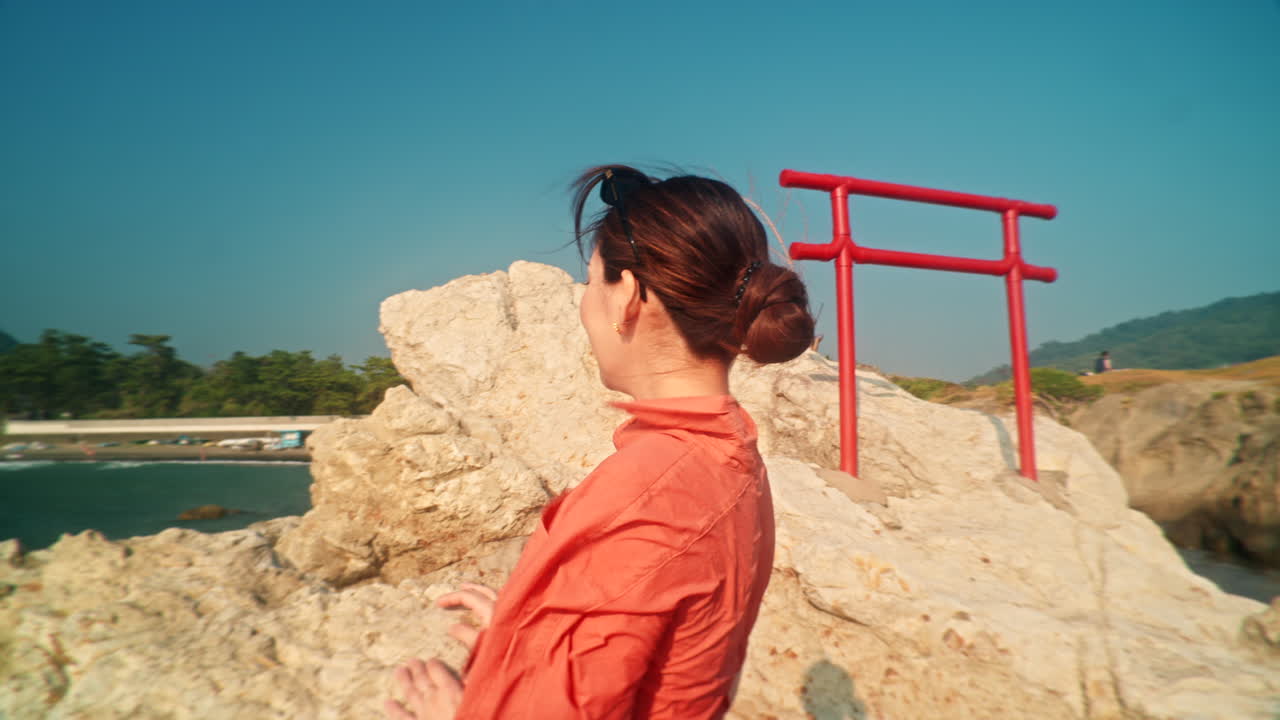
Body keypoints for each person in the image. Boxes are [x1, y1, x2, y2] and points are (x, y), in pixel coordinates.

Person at [384, 165, 816, 720]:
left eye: (591, 283)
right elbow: (655, 633)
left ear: (629, 297)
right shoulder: (729, 453)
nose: (585, 304)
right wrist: (532, 630)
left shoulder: (646, 495)